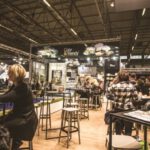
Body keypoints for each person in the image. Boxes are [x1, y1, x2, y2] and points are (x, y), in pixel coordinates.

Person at [0, 64, 38, 150]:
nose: (8, 74)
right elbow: (6, 95)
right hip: (22, 118)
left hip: (26, 121)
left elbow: (6, 98)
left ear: (15, 75)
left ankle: (10, 145)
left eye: (10, 73)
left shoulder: (22, 88)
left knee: (2, 126)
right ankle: (13, 143)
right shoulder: (17, 85)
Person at [108, 70, 139, 135]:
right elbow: (136, 99)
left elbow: (108, 95)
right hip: (128, 111)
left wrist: (114, 99)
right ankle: (127, 141)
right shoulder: (132, 86)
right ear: (128, 77)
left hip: (117, 110)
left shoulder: (115, 86)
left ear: (119, 77)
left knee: (118, 128)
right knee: (128, 130)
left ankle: (118, 141)